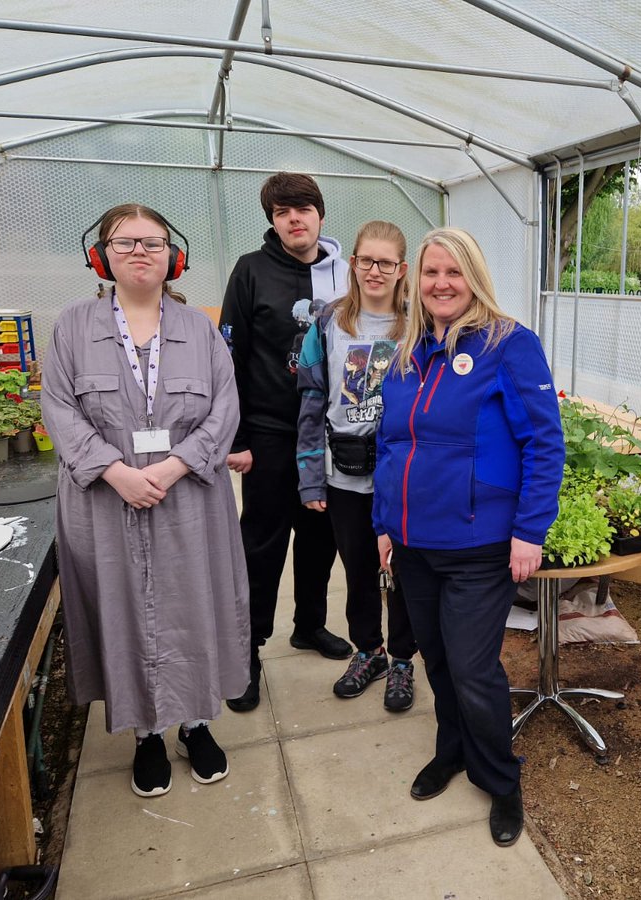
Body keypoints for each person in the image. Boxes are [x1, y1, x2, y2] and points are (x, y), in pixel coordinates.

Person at [42, 203, 249, 798]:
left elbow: (225, 408)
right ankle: (147, 734)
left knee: (194, 606)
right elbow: (58, 407)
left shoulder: (200, 330)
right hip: (107, 503)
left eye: (152, 242)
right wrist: (114, 471)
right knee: (125, 611)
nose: (139, 251)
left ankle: (196, 723)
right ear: (100, 254)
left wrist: (179, 463)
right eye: (124, 241)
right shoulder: (73, 327)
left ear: (173, 257)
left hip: (189, 497)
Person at [372, 227, 564, 846]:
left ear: (473, 277)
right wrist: (383, 523)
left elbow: (543, 442)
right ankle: (450, 750)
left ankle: (501, 779)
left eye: (454, 272)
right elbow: (391, 444)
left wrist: (530, 531)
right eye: (431, 273)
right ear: (415, 280)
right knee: (436, 656)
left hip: (479, 543)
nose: (441, 284)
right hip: (413, 541)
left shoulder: (509, 345)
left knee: (475, 668)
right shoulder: (406, 352)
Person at [220, 173, 352, 713]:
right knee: (263, 544)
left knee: (321, 537)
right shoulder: (251, 271)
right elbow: (228, 357)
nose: (294, 218)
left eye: (302, 208)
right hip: (271, 433)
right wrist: (238, 435)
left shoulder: (345, 273)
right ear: (272, 220)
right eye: (282, 211)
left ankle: (310, 625)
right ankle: (247, 652)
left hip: (329, 435)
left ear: (320, 213)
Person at [296, 220, 418, 711]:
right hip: (343, 473)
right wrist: (309, 477)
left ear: (401, 270)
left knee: (405, 570)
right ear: (353, 263)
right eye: (365, 260)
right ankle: (370, 651)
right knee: (359, 568)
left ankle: (405, 660)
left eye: (385, 263)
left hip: (404, 477)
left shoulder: (419, 324)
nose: (374, 270)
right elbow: (310, 400)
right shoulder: (327, 322)